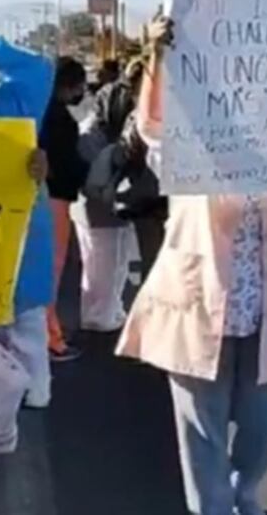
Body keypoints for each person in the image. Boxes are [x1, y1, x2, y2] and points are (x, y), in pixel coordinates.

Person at [115, 16, 267, 515]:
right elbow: (151, 126)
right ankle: (213, 509)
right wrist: (158, 56)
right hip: (199, 309)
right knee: (201, 431)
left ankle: (245, 494)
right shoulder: (189, 150)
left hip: (259, 317)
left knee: (261, 427)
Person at [0, 37, 55, 409]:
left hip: (17, 236)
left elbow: (40, 69)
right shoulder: (13, 106)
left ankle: (29, 393)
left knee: (25, 320)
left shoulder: (11, 107)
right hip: (4, 236)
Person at [73, 58, 145, 332]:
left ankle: (98, 311)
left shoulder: (88, 129)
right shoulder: (120, 139)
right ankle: (104, 316)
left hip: (85, 203)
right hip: (108, 202)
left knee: (94, 261)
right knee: (111, 263)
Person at [40, 56, 89, 361]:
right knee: (52, 269)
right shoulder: (60, 121)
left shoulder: (36, 111)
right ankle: (50, 338)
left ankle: (44, 334)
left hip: (37, 197)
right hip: (56, 198)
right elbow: (65, 164)